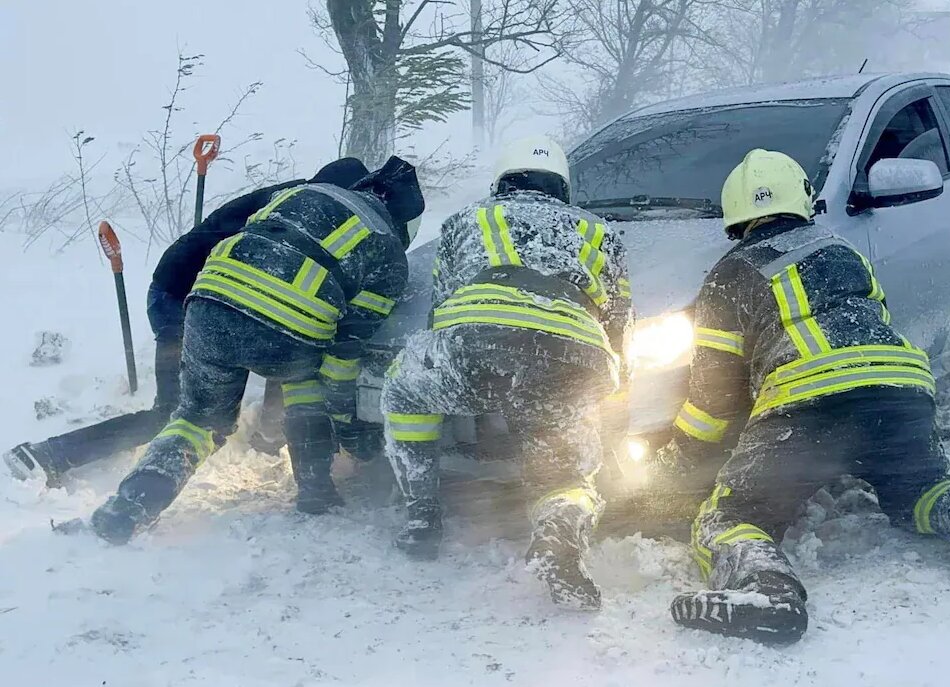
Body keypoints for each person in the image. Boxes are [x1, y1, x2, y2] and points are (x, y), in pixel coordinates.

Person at [662, 149, 950, 644]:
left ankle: (768, 592)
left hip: (806, 405)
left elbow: (713, 402)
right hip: (901, 389)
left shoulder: (730, 274)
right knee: (919, 488)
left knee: (731, 516)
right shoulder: (842, 251)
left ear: (735, 215)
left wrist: (679, 457)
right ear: (801, 199)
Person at [61, 156, 424, 545]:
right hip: (285, 334)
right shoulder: (387, 252)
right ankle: (315, 492)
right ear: (404, 222)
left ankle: (129, 507)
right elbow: (343, 354)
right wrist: (347, 425)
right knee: (307, 382)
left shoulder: (298, 194)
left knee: (197, 421)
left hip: (206, 309)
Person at [381, 136, 634, 610]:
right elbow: (619, 325)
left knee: (405, 393)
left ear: (501, 181)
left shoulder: (467, 220)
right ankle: (559, 534)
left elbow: (442, 308)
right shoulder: (601, 232)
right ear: (561, 186)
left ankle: (422, 515)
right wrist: (610, 397)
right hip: (570, 355)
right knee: (568, 471)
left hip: (476, 345)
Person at [4, 158, 371, 484]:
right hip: (183, 300)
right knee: (173, 413)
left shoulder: (299, 202)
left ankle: (266, 437)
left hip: (217, 299)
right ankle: (47, 454)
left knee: (288, 341)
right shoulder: (300, 211)